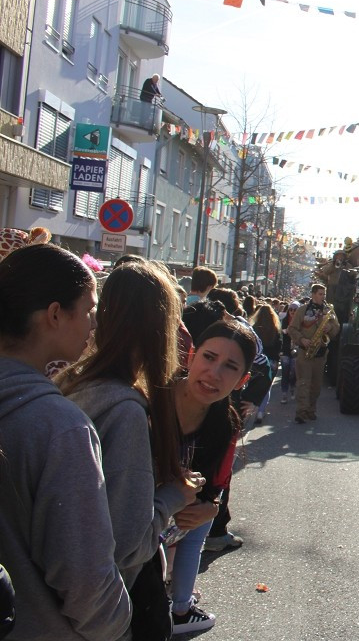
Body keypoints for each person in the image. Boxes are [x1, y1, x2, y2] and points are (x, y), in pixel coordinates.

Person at [0, 246, 132, 641]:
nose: (94, 324)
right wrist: (120, 625)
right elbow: (84, 577)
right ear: (55, 314)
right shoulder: (60, 427)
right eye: (89, 310)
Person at [58, 260, 200, 601]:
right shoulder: (124, 411)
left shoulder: (74, 381)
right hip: (106, 606)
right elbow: (127, 544)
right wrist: (173, 497)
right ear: (163, 328)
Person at [168, 319, 257, 632]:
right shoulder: (152, 400)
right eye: (208, 358)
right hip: (136, 516)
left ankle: (180, 607)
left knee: (201, 523)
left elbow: (216, 484)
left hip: (176, 515)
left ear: (241, 380)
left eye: (230, 367)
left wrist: (211, 506)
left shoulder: (226, 424)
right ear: (191, 356)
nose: (214, 374)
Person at [287, 284, 340, 423]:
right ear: (313, 294)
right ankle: (301, 411)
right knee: (303, 383)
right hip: (305, 352)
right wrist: (301, 339)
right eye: (320, 294)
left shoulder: (329, 311)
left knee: (316, 386)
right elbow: (292, 329)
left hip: (321, 354)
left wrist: (330, 327)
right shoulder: (302, 310)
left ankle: (311, 410)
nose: (323, 297)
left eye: (324, 294)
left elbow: (336, 329)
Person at [250, 303, 283, 424]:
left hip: (256, 361)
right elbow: (279, 346)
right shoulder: (275, 328)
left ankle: (253, 407)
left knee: (255, 384)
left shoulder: (253, 328)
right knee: (266, 387)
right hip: (271, 361)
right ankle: (260, 411)